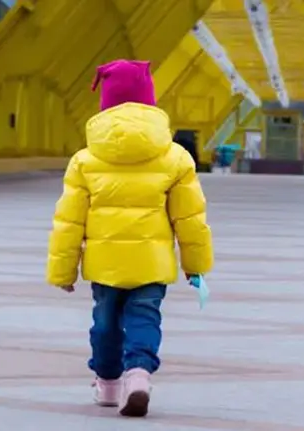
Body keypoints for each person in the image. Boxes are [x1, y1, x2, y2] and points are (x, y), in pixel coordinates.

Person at [46, 59, 214, 418]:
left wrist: (63, 271)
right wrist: (195, 266)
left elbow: (69, 222)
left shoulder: (84, 160)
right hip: (152, 263)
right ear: (149, 103)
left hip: (105, 264)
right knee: (144, 316)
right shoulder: (176, 158)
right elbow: (190, 220)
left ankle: (107, 384)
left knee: (105, 323)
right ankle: (138, 375)